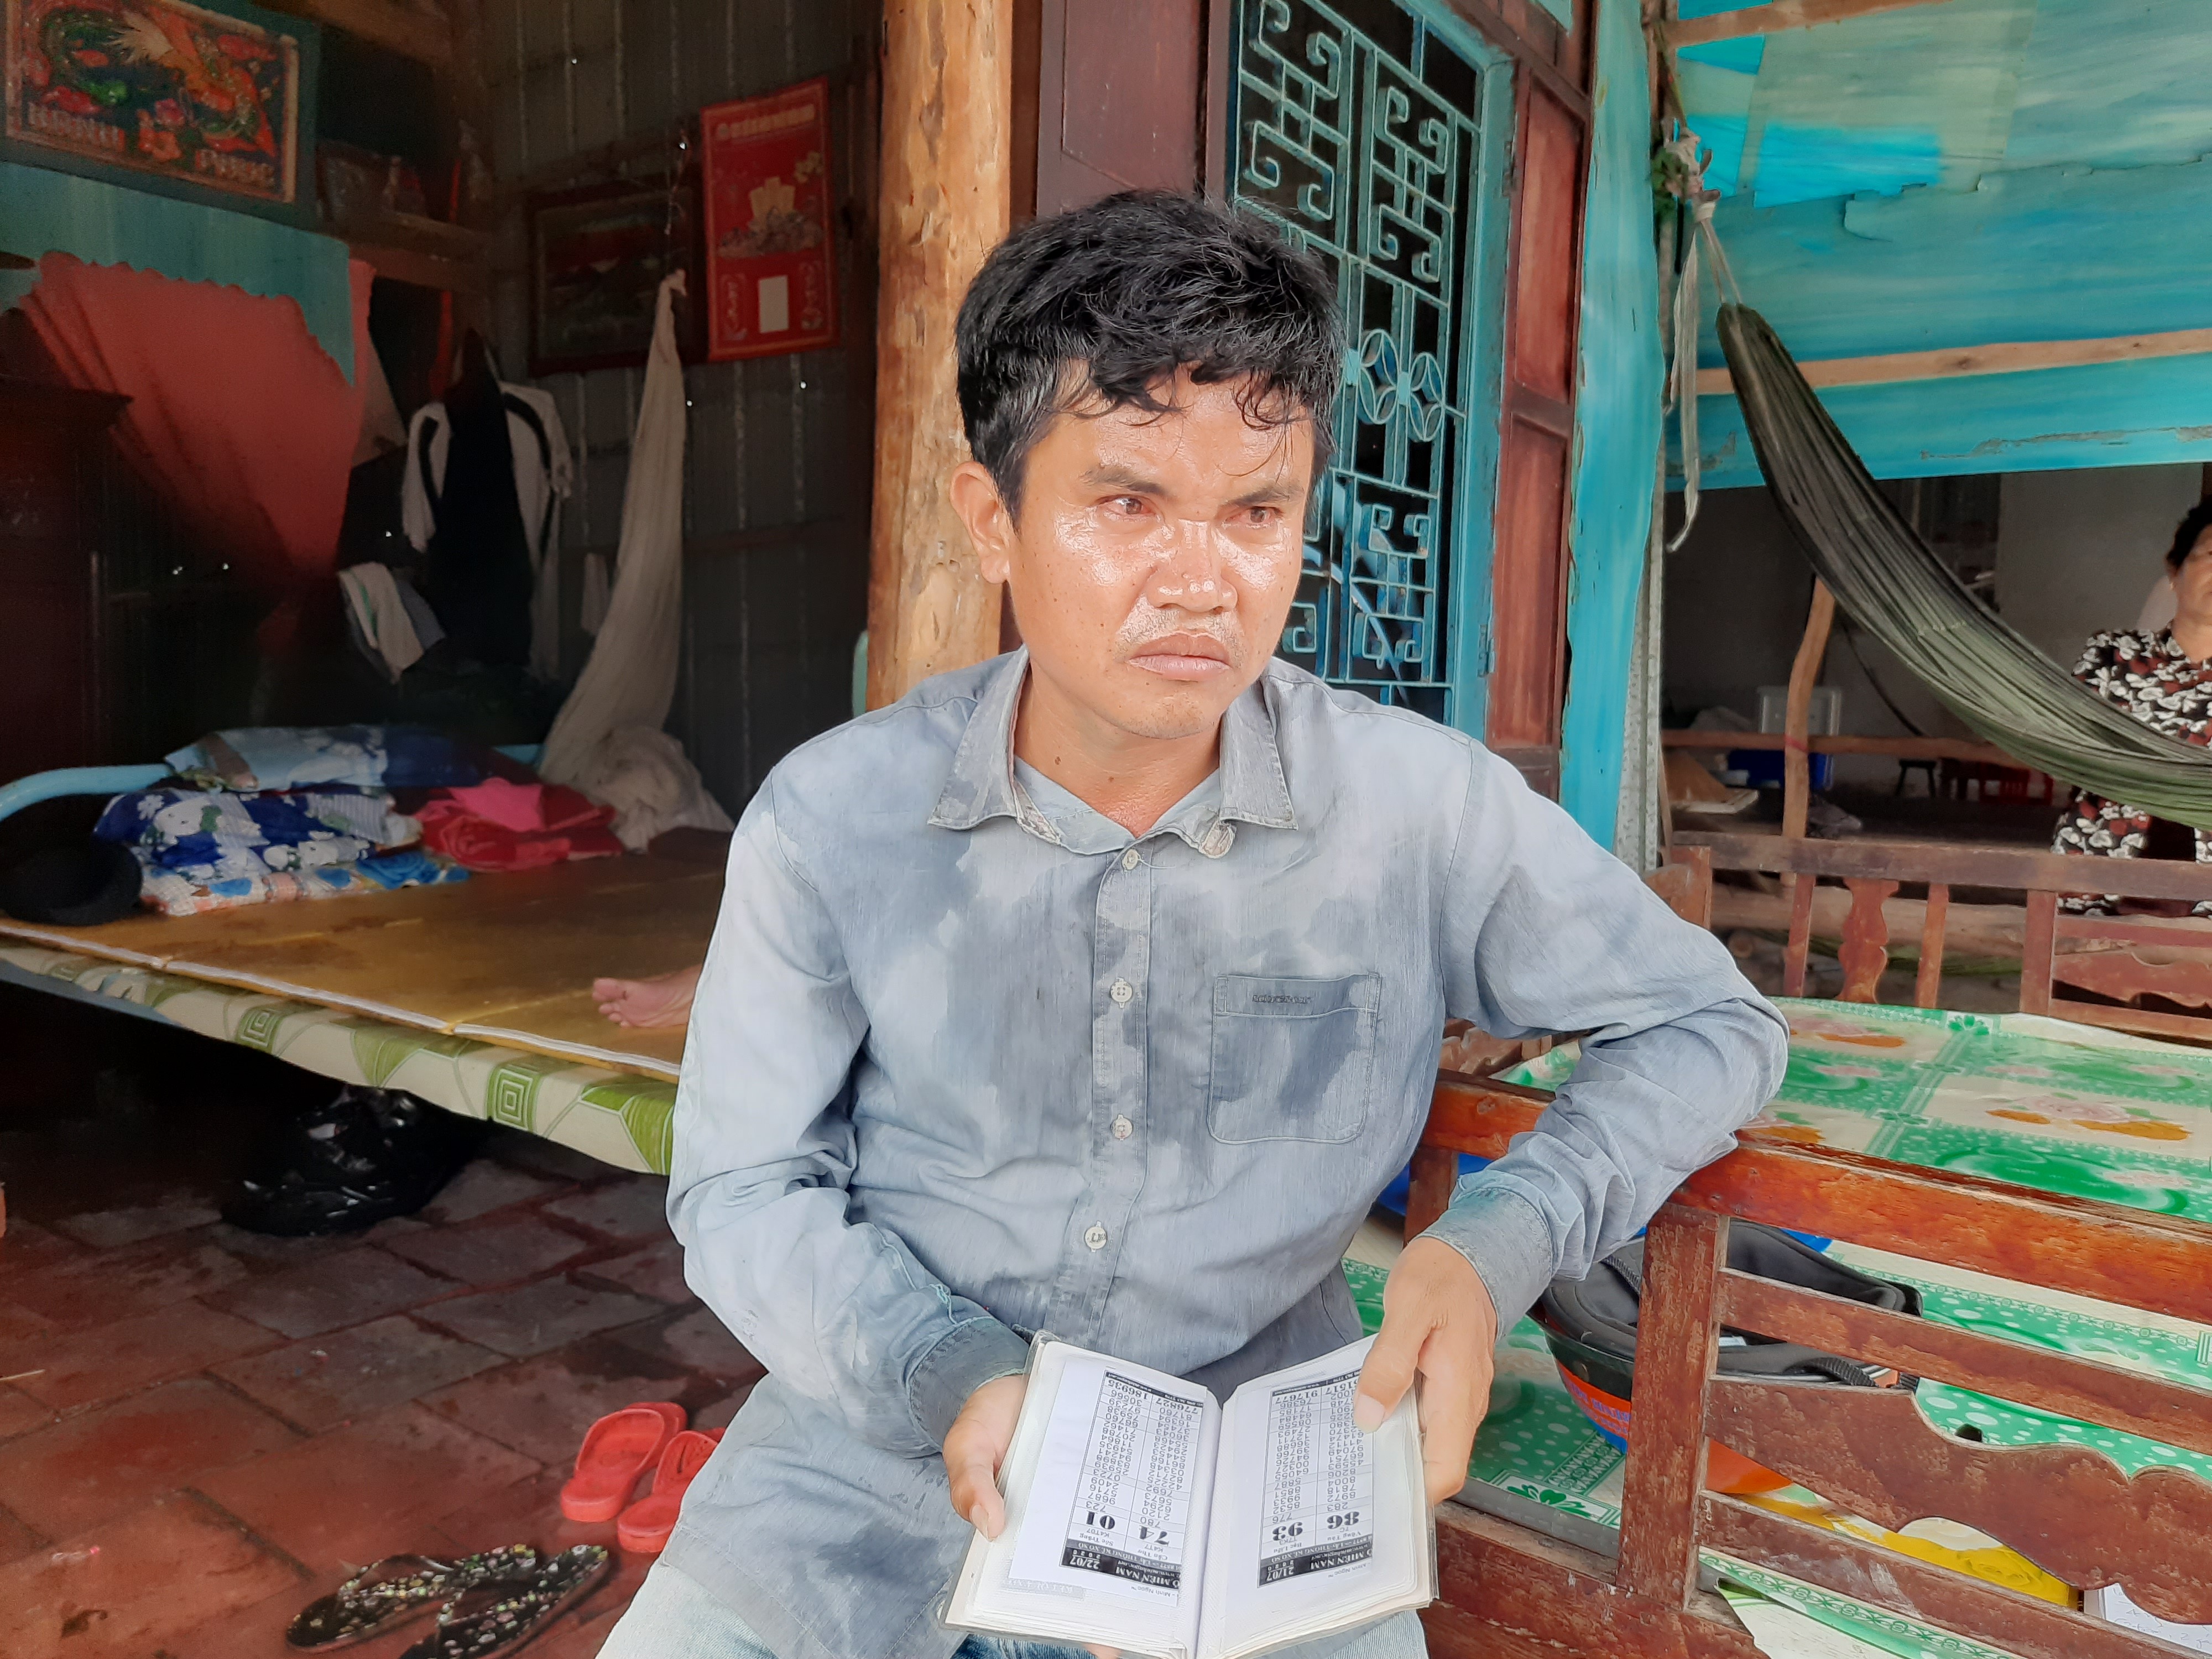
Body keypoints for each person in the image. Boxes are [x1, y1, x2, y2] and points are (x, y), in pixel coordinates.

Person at [596, 192, 1788, 1659]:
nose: (1200, 582)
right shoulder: (832, 819)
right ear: (990, 519)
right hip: (862, 1477)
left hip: (1258, 1482)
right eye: (1126, 504)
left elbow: (1711, 1023)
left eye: (1256, 513)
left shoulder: (1414, 811)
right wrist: (949, 1368)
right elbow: (743, 1187)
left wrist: (1498, 1240)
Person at [2051, 500, 2212, 915]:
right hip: (2100, 868)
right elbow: (2068, 746)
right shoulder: (2114, 655)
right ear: (2174, 571)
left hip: (2206, 895)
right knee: (2084, 957)